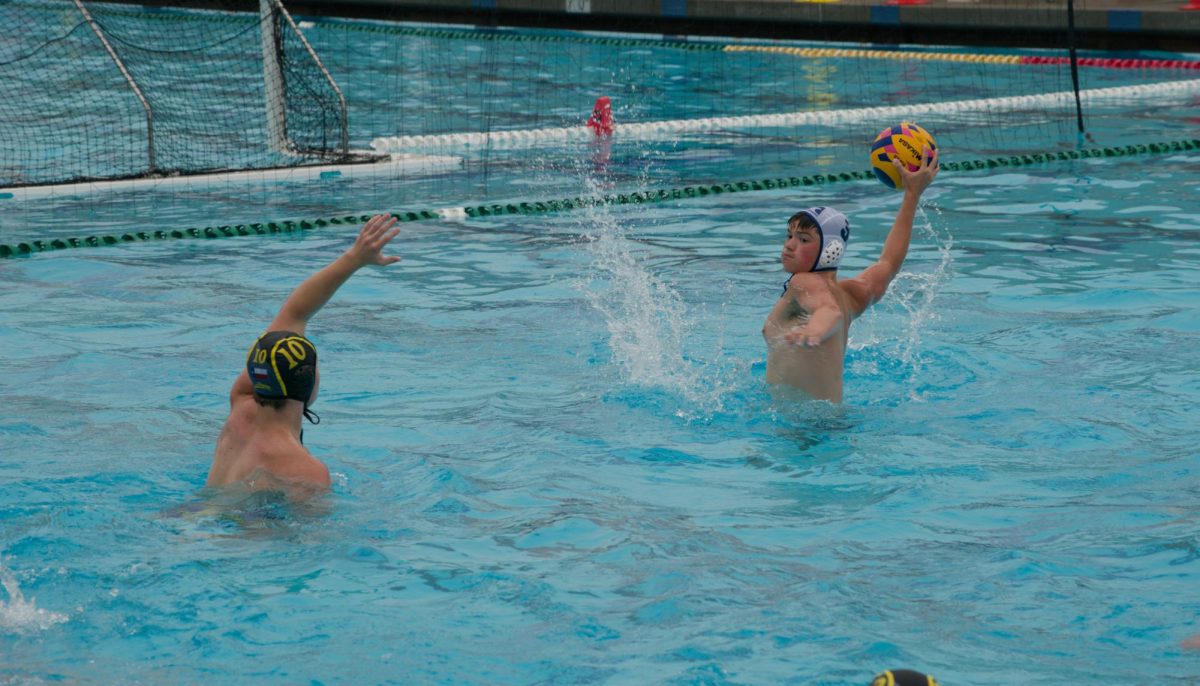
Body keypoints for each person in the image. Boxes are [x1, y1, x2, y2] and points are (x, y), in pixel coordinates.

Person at [206, 214, 403, 496]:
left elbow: (296, 312)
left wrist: (354, 259)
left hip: (194, 516)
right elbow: (307, 538)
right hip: (236, 537)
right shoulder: (305, 470)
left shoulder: (241, 405)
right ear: (309, 384)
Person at [762, 146, 938, 402]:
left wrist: (815, 329)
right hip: (833, 423)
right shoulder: (852, 294)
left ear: (830, 250)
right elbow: (888, 264)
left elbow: (827, 309)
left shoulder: (804, 282)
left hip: (797, 431)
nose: (789, 245)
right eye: (789, 236)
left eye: (803, 239)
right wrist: (912, 195)